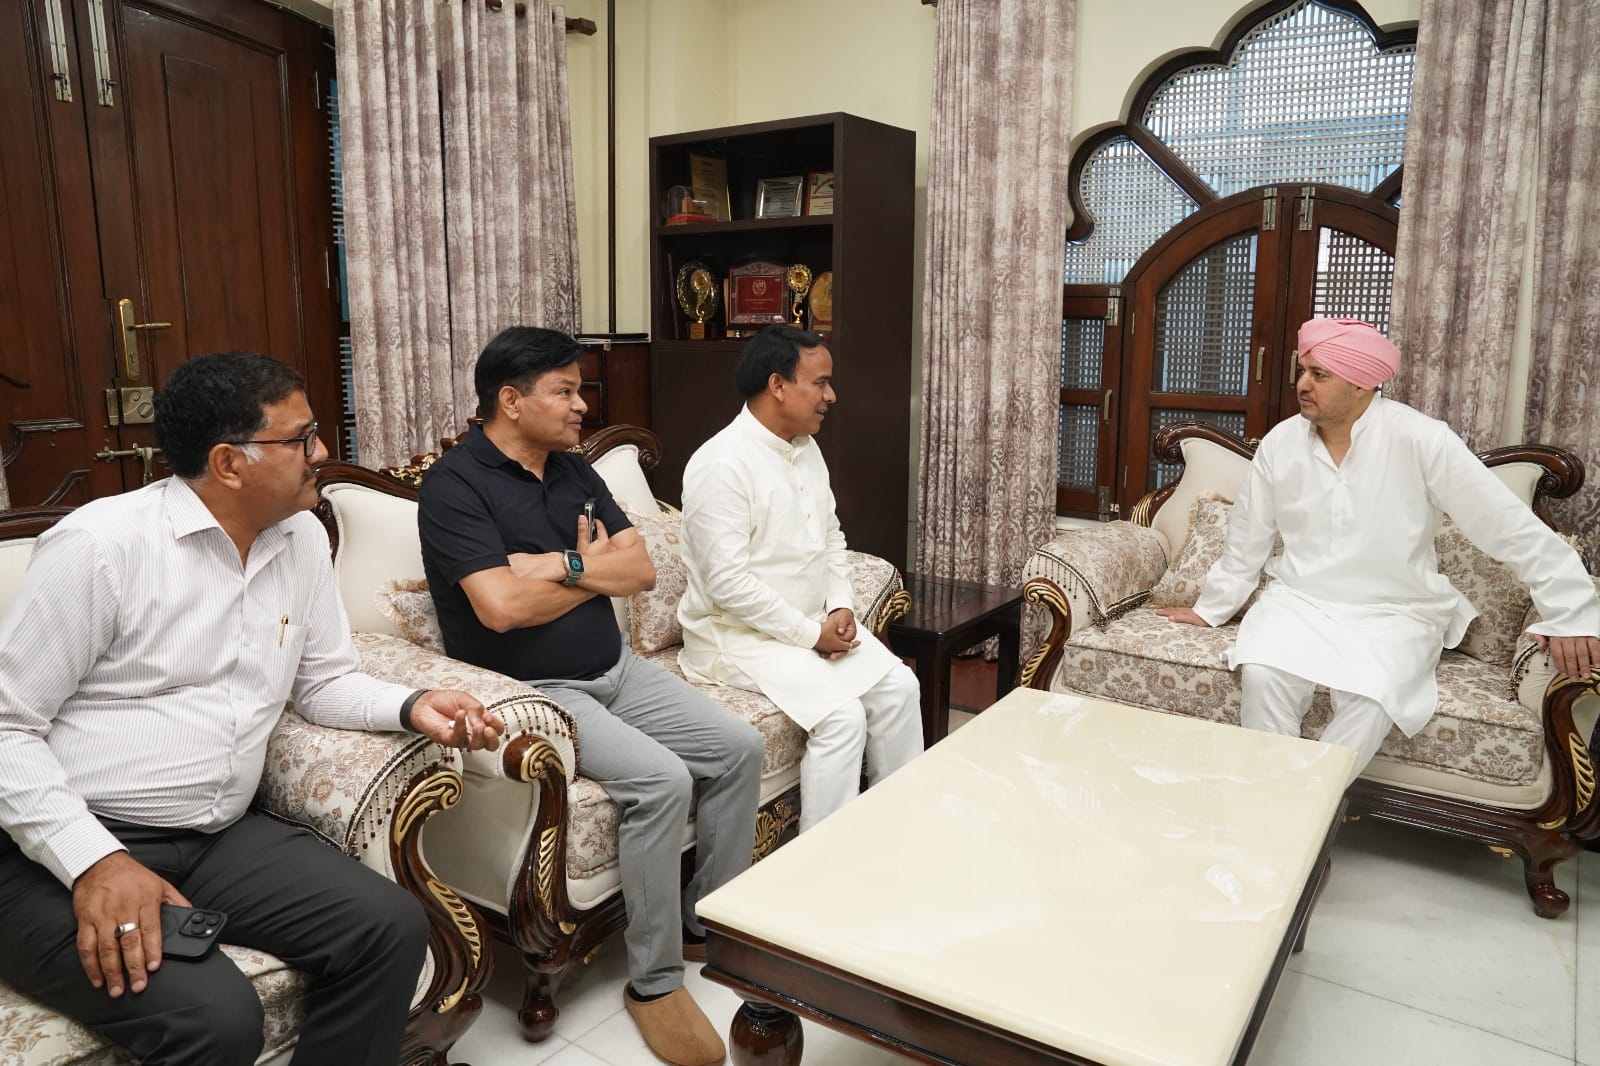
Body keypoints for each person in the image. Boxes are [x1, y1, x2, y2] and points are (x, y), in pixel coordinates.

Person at [0, 352, 504, 1066]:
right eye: (301, 438)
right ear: (229, 463)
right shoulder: (100, 548)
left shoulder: (298, 536)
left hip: (216, 835)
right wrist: (96, 864)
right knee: (217, 1017)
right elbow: (5, 727)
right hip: (56, 848)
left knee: (390, 925)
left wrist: (415, 703)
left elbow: (323, 681)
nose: (321, 453)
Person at [417, 325, 761, 1066]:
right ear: (511, 401)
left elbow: (638, 570)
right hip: (538, 690)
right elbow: (498, 612)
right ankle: (655, 982)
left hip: (619, 669)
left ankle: (707, 924)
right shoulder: (454, 486)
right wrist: (584, 564)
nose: (581, 406)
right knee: (662, 780)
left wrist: (549, 564)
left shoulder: (573, 468)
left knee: (738, 748)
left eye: (580, 391)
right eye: (565, 391)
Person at [1157, 318, 1600, 774]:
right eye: (1303, 371)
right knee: (1264, 676)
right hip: (1300, 601)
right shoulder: (1280, 443)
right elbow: (1248, 535)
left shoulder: (1423, 439)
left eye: (1319, 375)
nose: (1302, 385)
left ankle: (1303, 811)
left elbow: (1507, 526)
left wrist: (1571, 610)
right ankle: (1280, 814)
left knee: (1373, 698)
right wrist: (1212, 607)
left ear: (1362, 383)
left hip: (1398, 610)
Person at [677, 325, 922, 832]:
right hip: (734, 637)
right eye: (822, 382)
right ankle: (819, 866)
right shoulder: (720, 464)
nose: (831, 396)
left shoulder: (804, 446)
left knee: (900, 686)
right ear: (778, 385)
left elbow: (831, 535)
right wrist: (811, 635)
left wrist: (841, 606)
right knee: (842, 717)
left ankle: (896, 829)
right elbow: (728, 585)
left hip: (810, 625)